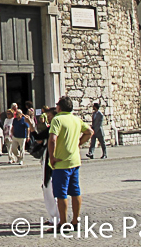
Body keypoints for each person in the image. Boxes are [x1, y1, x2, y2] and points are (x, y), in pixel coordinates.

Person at [48, 96, 92, 230]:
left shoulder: (57, 120)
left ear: (59, 107)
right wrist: (78, 143)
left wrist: (52, 157)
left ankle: (62, 223)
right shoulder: (76, 119)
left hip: (61, 163)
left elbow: (52, 139)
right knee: (75, 192)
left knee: (61, 194)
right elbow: (90, 132)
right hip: (75, 161)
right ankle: (75, 221)